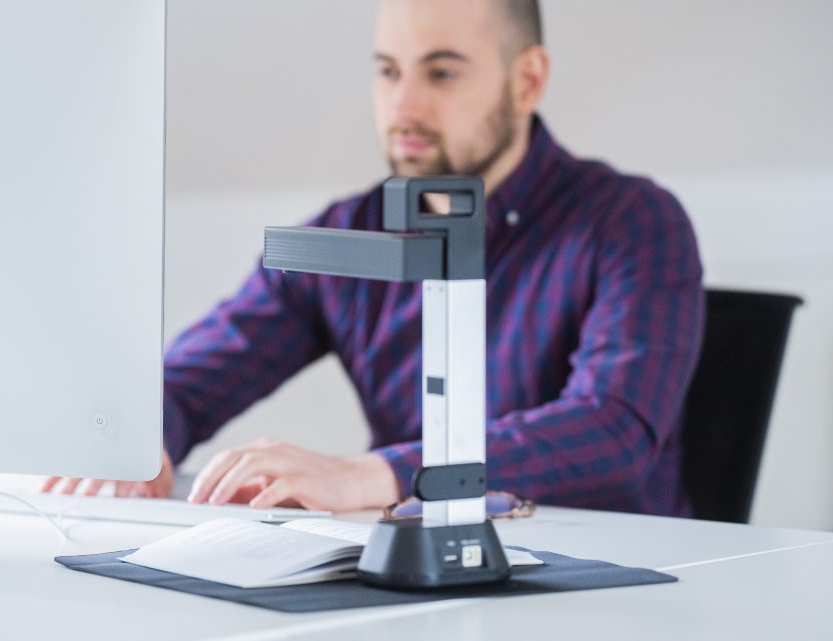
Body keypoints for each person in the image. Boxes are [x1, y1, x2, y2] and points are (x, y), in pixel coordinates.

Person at [43, 0, 704, 516]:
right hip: (418, 590)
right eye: (388, 70)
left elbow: (613, 429)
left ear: (526, 80)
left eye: (442, 72)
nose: (404, 107)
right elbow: (196, 375)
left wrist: (372, 473)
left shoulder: (633, 221)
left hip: (607, 581)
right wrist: (141, 441)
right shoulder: (349, 232)